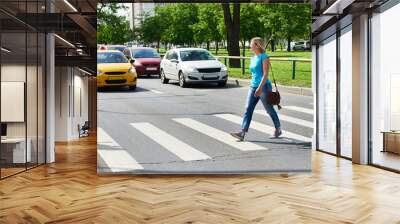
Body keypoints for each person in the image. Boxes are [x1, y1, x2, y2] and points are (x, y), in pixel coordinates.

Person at [230, 37, 282, 141]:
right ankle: (242, 132)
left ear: (257, 45)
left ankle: (278, 128)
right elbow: (255, 73)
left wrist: (260, 88)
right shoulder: (253, 58)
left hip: (263, 86)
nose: (250, 46)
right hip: (253, 86)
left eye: (251, 44)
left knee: (269, 109)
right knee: (248, 108)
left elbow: (265, 74)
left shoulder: (264, 57)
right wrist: (254, 86)